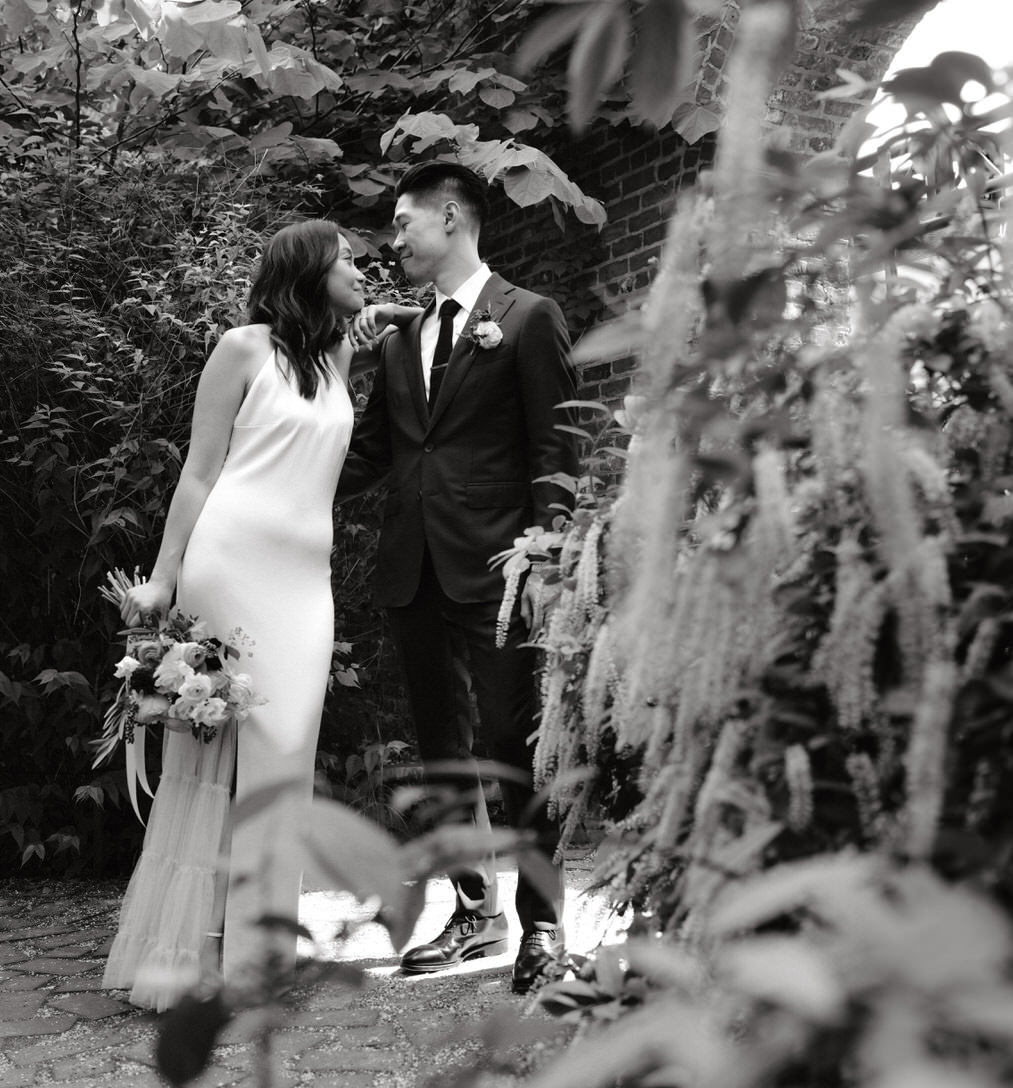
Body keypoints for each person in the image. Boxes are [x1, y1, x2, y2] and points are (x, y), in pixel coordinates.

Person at [102, 220, 416, 1009]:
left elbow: (375, 337)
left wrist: (399, 320)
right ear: (308, 271)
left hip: (305, 584)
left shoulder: (340, 356)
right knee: (216, 753)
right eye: (346, 258)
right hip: (231, 566)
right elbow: (200, 473)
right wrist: (164, 582)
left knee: (286, 753)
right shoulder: (241, 348)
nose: (361, 266)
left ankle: (260, 955)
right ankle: (190, 956)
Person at [337, 160, 582, 994]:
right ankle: (477, 913)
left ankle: (545, 930)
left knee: (518, 752)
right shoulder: (402, 338)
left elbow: (557, 449)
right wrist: (282, 478)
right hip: (414, 571)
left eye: (404, 222)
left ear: (451, 218)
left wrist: (545, 553)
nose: (393, 238)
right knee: (444, 754)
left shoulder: (529, 318)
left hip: (503, 574)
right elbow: (373, 451)